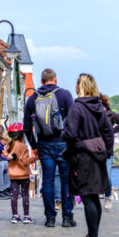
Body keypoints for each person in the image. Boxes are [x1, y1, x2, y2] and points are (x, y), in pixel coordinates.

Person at [63, 73, 114, 237]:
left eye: (77, 83)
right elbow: (108, 131)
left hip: (82, 157)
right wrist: (106, 151)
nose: (75, 86)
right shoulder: (98, 107)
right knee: (94, 197)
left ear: (81, 86)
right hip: (97, 157)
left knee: (87, 197)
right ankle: (93, 234)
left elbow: (69, 133)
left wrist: (74, 144)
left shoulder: (77, 108)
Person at [24, 68, 75, 228]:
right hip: (63, 143)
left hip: (44, 144)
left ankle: (50, 218)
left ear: (41, 81)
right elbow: (73, 121)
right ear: (55, 79)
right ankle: (67, 217)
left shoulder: (33, 99)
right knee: (67, 181)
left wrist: (34, 146)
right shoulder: (65, 95)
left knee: (48, 180)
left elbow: (27, 127)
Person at [2, 122, 37, 224]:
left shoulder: (9, 146)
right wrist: (35, 158)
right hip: (23, 175)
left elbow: (5, 155)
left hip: (13, 175)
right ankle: (26, 216)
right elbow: (25, 161)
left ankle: (15, 215)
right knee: (25, 195)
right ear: (22, 135)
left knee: (14, 195)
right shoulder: (23, 147)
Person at [99, 94, 119, 211]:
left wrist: (112, 130)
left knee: (106, 174)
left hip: (107, 149)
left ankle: (107, 197)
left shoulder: (110, 114)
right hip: (94, 148)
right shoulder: (94, 115)